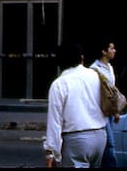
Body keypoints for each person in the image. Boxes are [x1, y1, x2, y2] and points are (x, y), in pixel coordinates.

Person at [44, 43, 107, 167]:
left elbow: (55, 122)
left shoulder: (59, 84)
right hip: (100, 136)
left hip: (76, 138)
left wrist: (51, 152)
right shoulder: (96, 76)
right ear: (81, 58)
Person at [89, 39, 120, 168]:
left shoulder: (110, 67)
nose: (114, 51)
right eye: (111, 48)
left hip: (110, 110)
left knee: (107, 143)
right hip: (101, 111)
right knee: (109, 144)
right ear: (104, 51)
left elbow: (112, 90)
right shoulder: (94, 69)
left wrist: (116, 110)